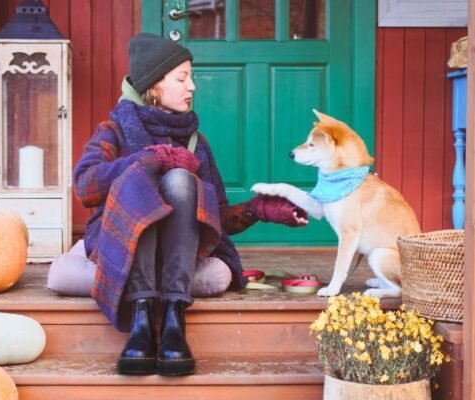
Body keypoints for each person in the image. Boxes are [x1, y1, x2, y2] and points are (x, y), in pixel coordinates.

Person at [73, 33, 307, 377]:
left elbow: (216, 218)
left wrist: (259, 210)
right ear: (154, 84)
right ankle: (140, 316)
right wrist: (147, 160)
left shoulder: (196, 142)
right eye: (182, 78)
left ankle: (173, 317)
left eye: (191, 77)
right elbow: (85, 187)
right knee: (141, 178)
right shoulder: (114, 131)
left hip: (178, 257)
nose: (192, 86)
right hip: (126, 244)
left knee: (181, 180)